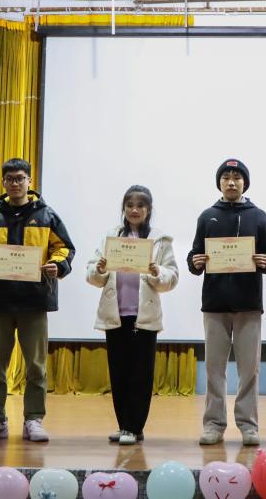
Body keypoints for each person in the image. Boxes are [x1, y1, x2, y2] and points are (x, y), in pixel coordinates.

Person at [0, 158, 75, 443]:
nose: (15, 183)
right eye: (10, 179)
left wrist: (57, 265)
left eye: (19, 178)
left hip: (34, 301)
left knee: (36, 366)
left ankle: (33, 419)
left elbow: (65, 248)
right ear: (3, 182)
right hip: (0, 301)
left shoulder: (47, 216)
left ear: (30, 181)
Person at [188, 159, 266, 446]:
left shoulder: (259, 216)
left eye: (237, 177)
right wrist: (195, 262)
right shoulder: (207, 216)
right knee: (214, 369)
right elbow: (194, 256)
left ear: (244, 183)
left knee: (249, 370)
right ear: (219, 183)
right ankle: (213, 425)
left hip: (249, 305)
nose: (231, 182)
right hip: (215, 304)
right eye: (226, 177)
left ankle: (248, 426)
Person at [87, 185, 178, 445]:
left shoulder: (160, 240)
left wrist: (157, 272)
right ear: (124, 209)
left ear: (149, 210)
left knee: (140, 374)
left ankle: (134, 427)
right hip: (115, 315)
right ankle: (124, 425)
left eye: (140, 205)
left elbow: (172, 277)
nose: (134, 210)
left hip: (143, 317)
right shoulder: (111, 237)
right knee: (119, 374)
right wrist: (100, 269)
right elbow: (92, 274)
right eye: (129, 205)